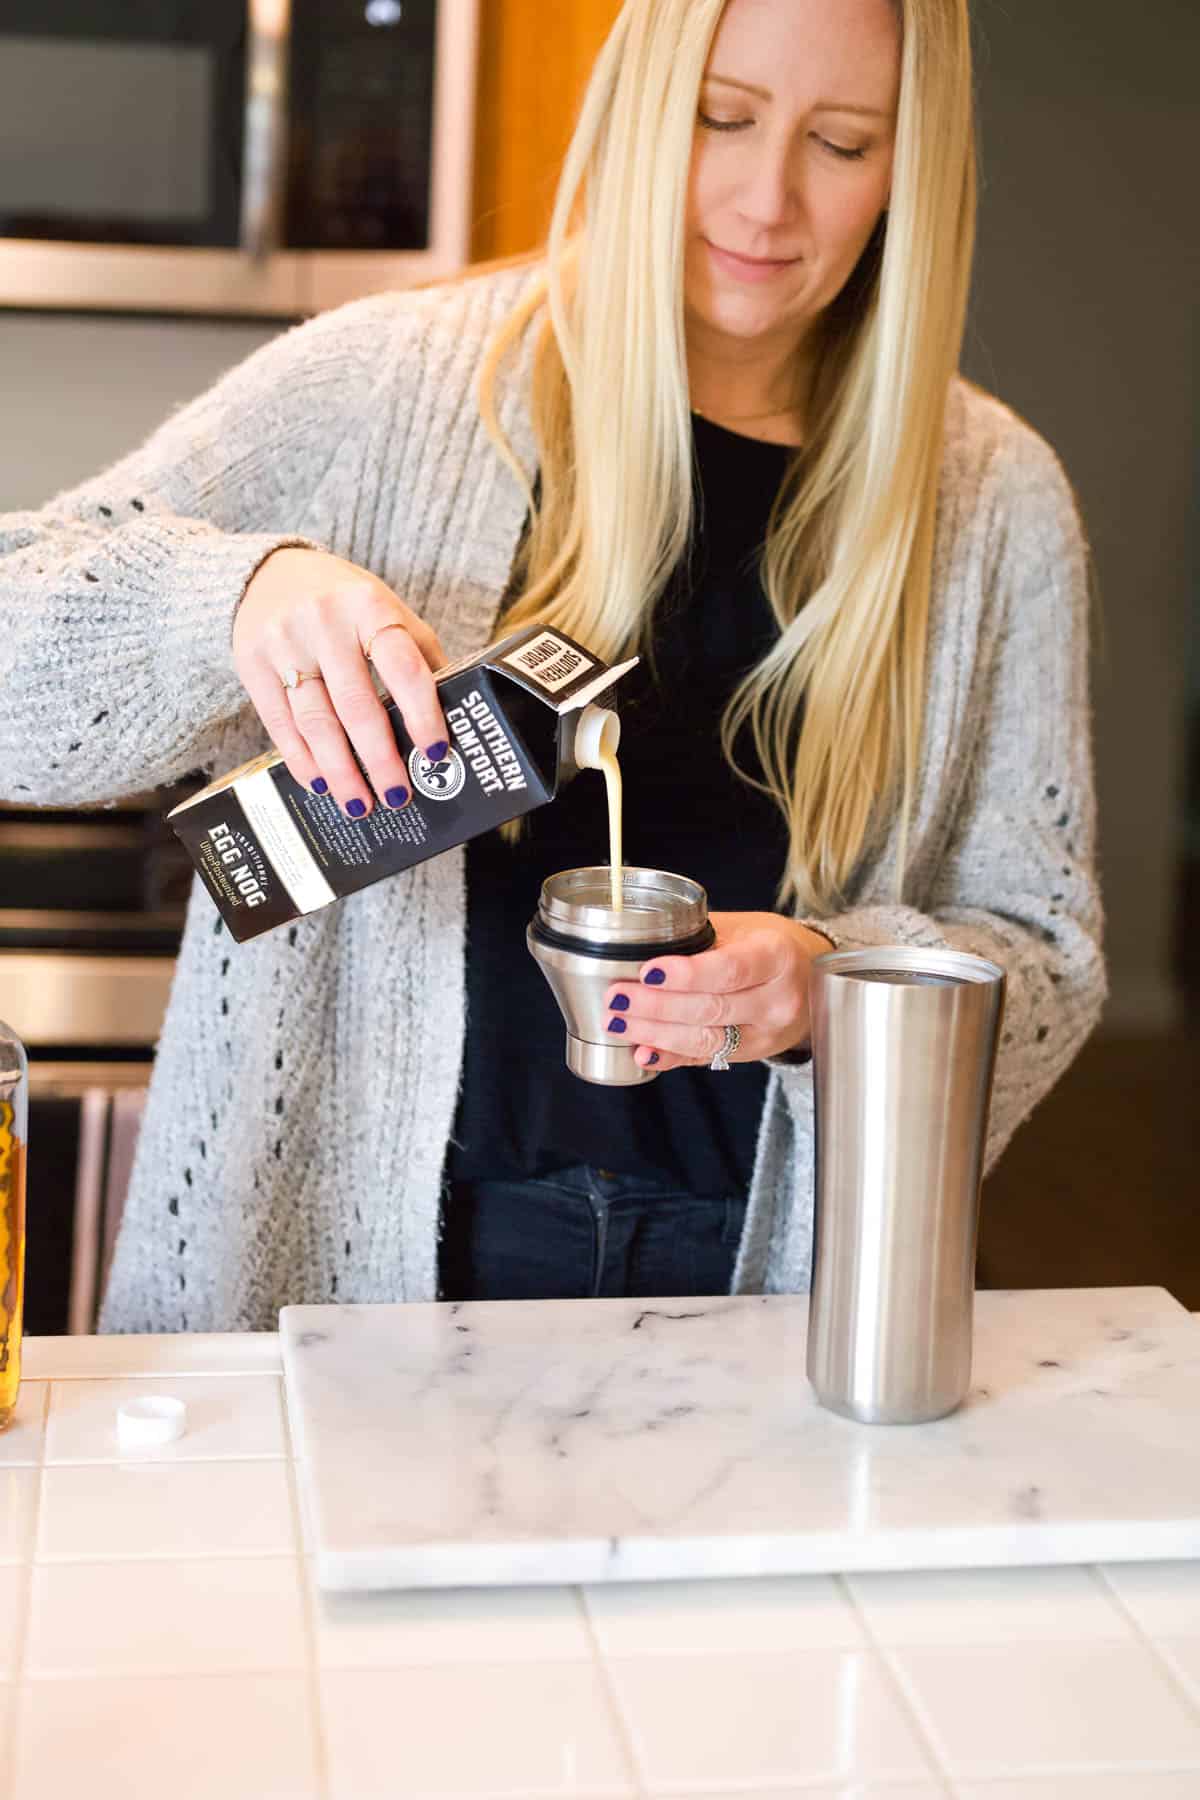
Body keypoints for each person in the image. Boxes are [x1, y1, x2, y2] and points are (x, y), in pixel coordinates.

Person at [0, 0, 1105, 1332]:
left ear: (915, 164)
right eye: (722, 117)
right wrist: (236, 597)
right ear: (639, 104)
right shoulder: (392, 384)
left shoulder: (993, 502)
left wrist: (834, 984)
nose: (768, 199)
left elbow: (1041, 953)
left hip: (778, 1292)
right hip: (368, 1277)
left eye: (844, 142)